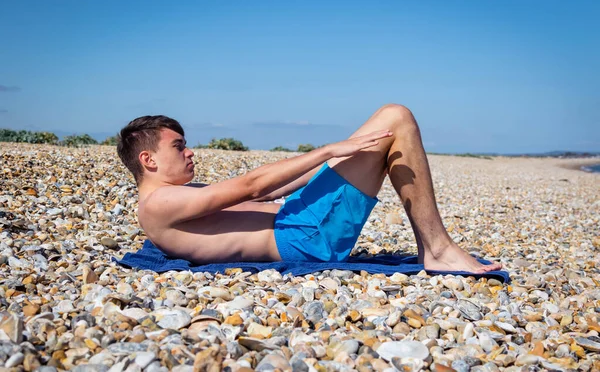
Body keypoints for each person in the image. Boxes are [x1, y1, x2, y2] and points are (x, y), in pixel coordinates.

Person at [117, 104, 501, 273]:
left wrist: (333, 161)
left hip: (299, 219)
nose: (189, 152)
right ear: (148, 160)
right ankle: (437, 249)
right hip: (307, 236)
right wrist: (330, 151)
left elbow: (262, 193)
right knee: (396, 117)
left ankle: (436, 248)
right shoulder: (157, 204)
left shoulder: (176, 197)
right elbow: (251, 183)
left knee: (374, 133)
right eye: (178, 146)